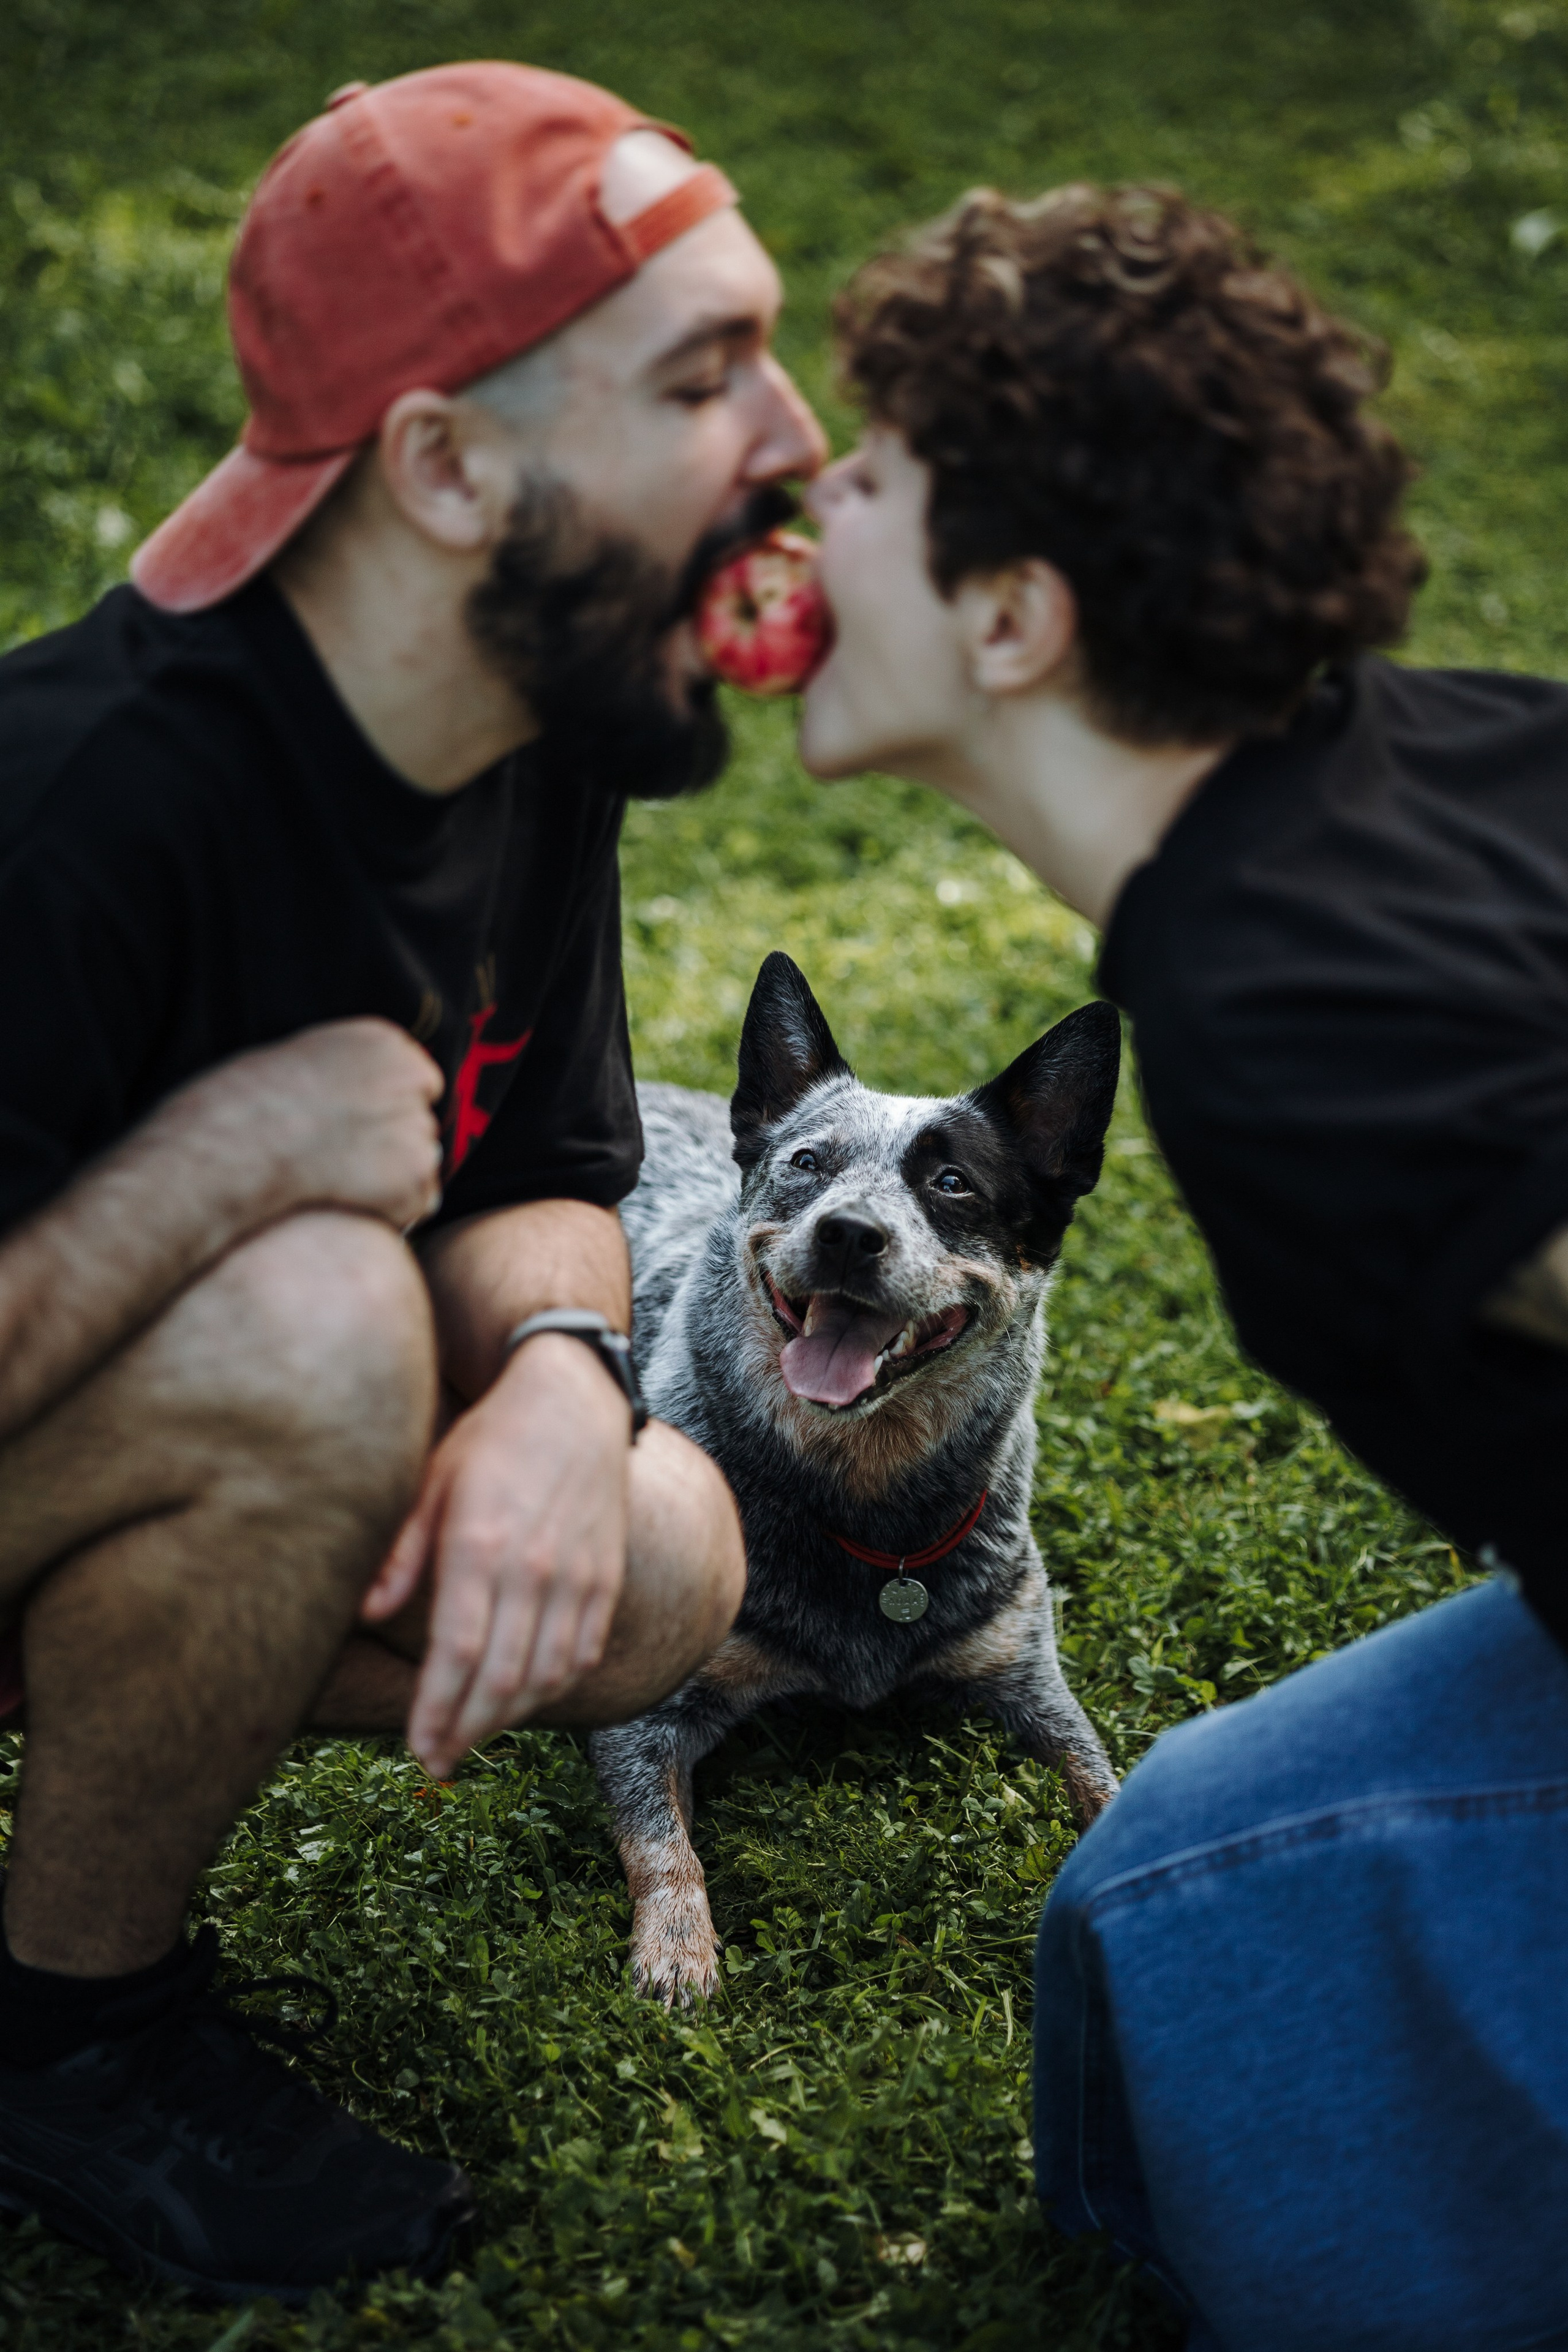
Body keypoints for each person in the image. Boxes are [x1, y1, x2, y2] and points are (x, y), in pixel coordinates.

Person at [0, 60, 826, 2301]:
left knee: (664, 1549)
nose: (795, 445)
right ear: (446, 466)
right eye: (707, 380)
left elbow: (541, 1162)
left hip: (80, 1471)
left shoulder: (516, 739)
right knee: (316, 1325)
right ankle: (75, 2035)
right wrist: (226, 1168)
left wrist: (558, 1370)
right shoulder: (79, 811)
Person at [797, 183, 1568, 2348]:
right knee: (1150, 1898)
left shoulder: (1287, 1009)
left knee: (1217, 1952)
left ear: (1014, 616)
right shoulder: (1436, 739)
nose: (806, 500)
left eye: (867, 477)